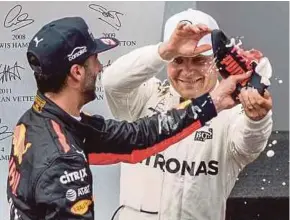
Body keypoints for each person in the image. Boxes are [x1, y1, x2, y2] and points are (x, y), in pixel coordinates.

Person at [6, 16, 245, 220]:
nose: (100, 68)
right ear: (77, 72)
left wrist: (213, 102)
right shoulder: (63, 163)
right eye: (95, 60)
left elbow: (136, 138)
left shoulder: (39, 119)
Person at [102, 9, 273, 220]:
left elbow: (250, 145)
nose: (188, 71)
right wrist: (164, 51)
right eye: (178, 60)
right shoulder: (147, 96)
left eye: (199, 60)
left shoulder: (234, 112)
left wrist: (257, 119)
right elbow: (111, 83)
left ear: (216, 62)